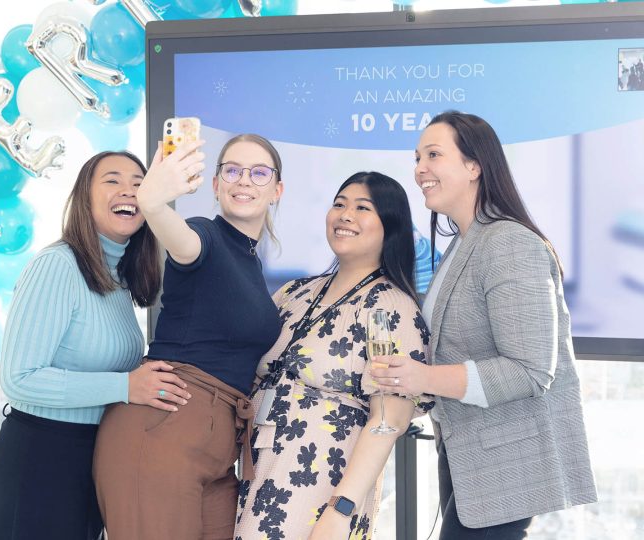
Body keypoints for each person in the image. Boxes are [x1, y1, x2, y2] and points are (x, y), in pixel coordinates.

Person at [372, 111, 598, 539]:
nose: (420, 169)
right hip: (466, 458)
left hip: (506, 466)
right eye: (417, 157)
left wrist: (424, 376)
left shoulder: (509, 243)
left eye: (434, 155)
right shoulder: (464, 243)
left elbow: (530, 370)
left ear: (474, 166)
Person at [0, 151, 190, 540]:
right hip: (39, 460)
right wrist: (125, 386)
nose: (128, 190)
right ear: (83, 198)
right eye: (112, 180)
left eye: (139, 183)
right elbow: (19, 378)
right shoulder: (58, 264)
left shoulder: (118, 280)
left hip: (86, 460)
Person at [93, 134, 285, 540]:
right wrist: (153, 203)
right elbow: (182, 242)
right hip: (162, 428)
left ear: (277, 189)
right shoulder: (205, 236)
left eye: (258, 173)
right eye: (231, 171)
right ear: (215, 185)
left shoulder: (250, 261)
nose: (243, 181)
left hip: (217, 448)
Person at [234, 172, 434, 540]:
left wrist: (340, 511)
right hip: (255, 470)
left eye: (362, 208)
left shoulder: (390, 309)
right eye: (339, 204)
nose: (345, 215)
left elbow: (388, 420)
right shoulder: (294, 293)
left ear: (391, 226)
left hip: (319, 486)